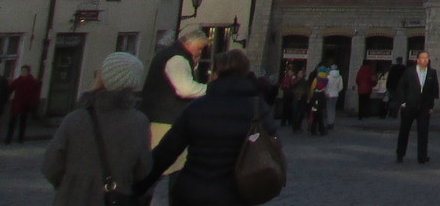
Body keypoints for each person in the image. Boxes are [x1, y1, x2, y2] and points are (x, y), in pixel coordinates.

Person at [136, 48, 277, 206]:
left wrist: (140, 186)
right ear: (246, 71)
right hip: (237, 192)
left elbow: (167, 151)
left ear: (216, 73)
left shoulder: (197, 107)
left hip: (193, 190)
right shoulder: (258, 109)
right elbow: (272, 147)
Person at [41, 51, 152, 206]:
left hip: (72, 199)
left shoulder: (76, 118)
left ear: (104, 76)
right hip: (116, 199)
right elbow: (143, 171)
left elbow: (51, 166)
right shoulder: (139, 121)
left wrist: (71, 186)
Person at [142, 26, 210, 162]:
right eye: (200, 48)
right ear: (190, 44)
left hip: (158, 118)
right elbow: (186, 89)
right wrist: (212, 89)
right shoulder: (177, 58)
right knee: (169, 165)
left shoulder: (169, 54)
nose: (200, 53)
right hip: (166, 121)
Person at [392, 49, 440, 164]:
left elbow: (433, 90)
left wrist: (431, 106)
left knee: (423, 132)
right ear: (417, 60)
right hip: (409, 106)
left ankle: (422, 156)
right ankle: (400, 153)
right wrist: (403, 103)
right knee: (404, 131)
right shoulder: (409, 72)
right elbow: (401, 87)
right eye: (423, 58)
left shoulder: (432, 73)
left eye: (427, 58)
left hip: (424, 107)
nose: (425, 60)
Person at [8, 64, 41, 143]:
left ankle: (20, 139)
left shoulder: (32, 81)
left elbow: (35, 94)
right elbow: (10, 89)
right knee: (12, 121)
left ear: (28, 72)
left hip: (25, 104)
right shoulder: (17, 80)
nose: (23, 72)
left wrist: (33, 104)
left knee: (23, 122)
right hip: (17, 103)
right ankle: (8, 138)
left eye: (24, 71)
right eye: (22, 71)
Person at [322, 59, 344, 130]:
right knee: (333, 109)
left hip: (329, 94)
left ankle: (329, 123)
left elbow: (326, 86)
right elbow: (341, 87)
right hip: (335, 95)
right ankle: (332, 122)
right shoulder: (339, 77)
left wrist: (326, 93)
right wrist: (337, 91)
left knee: (329, 109)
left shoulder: (328, 77)